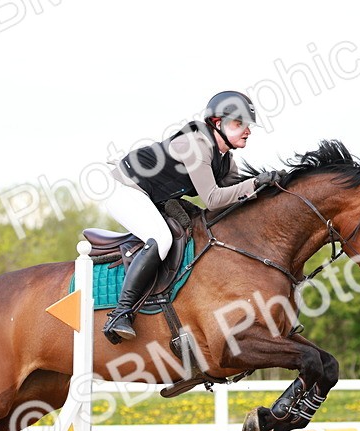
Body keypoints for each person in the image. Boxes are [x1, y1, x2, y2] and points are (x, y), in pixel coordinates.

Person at [101, 90, 285, 343]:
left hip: (153, 196)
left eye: (248, 125)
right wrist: (255, 183)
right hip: (123, 189)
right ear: (217, 123)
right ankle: (120, 313)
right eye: (239, 124)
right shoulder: (196, 146)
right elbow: (213, 199)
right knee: (161, 239)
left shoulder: (226, 160)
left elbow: (233, 199)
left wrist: (267, 189)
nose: (247, 131)